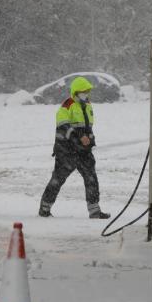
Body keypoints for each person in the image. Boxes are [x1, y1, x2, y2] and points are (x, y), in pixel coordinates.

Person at [38, 76, 110, 219]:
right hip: (66, 150)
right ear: (76, 92)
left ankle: (94, 211)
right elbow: (63, 125)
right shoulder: (67, 105)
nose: (86, 94)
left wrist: (90, 139)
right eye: (84, 91)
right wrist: (78, 138)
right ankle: (44, 208)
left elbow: (88, 126)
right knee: (58, 179)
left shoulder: (88, 105)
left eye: (88, 91)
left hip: (83, 150)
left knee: (91, 178)